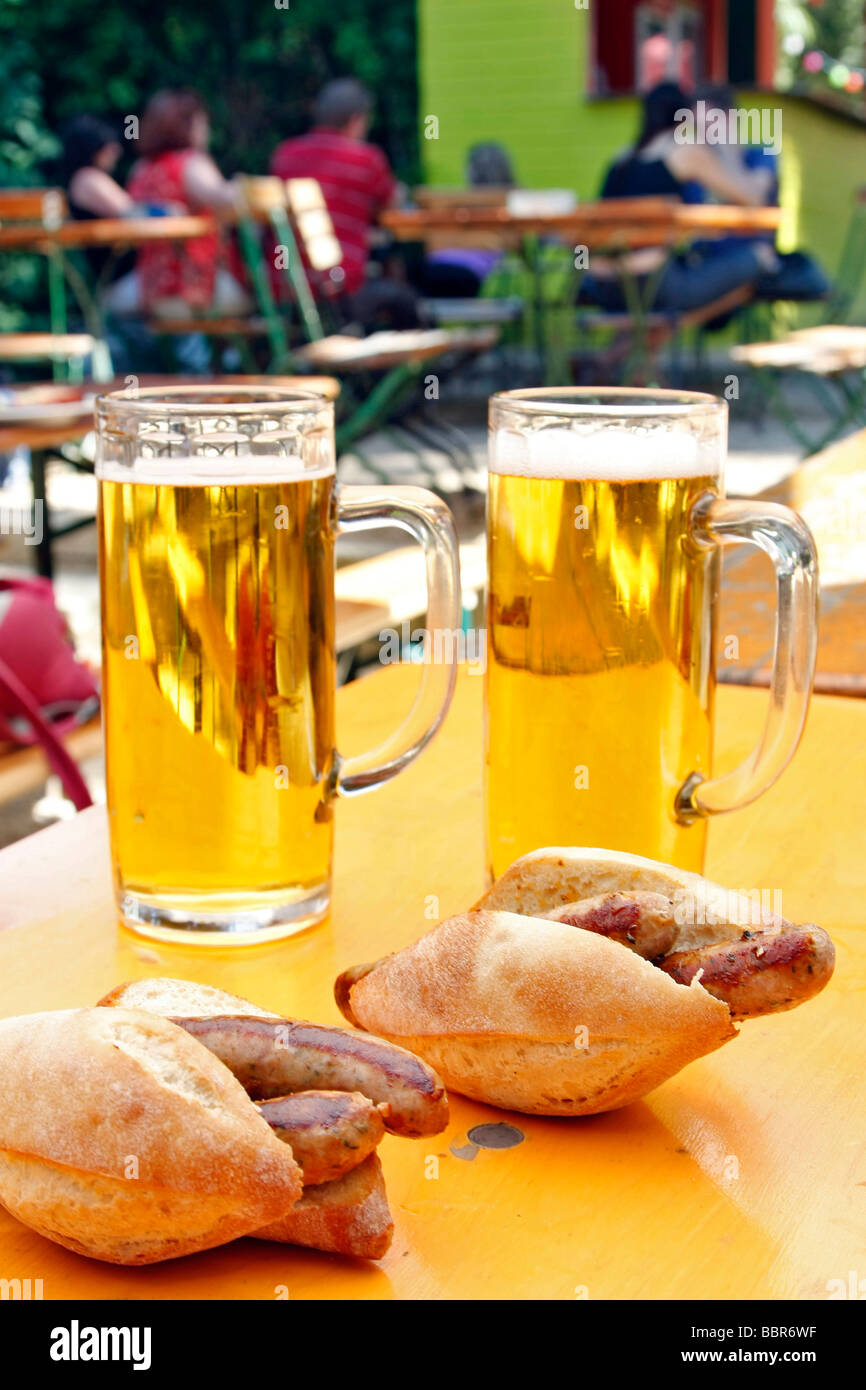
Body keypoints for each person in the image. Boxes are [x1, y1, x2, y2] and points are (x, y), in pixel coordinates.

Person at [581, 83, 779, 317]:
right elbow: (752, 198)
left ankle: (621, 352)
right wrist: (726, 144)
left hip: (601, 283)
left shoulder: (620, 158)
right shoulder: (685, 152)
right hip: (653, 285)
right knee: (760, 258)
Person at [270, 79, 418, 331]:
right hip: (339, 290)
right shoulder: (365, 159)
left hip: (287, 286)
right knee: (408, 302)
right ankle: (410, 368)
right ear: (356, 120)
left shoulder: (285, 154)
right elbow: (391, 205)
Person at [126, 90, 250, 319]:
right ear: (189, 125)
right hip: (197, 292)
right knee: (267, 287)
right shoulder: (191, 164)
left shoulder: (141, 169)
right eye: (203, 122)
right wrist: (244, 186)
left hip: (151, 294)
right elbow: (228, 200)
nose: (207, 130)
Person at [59, 115, 139, 312]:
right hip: (121, 283)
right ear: (93, 147)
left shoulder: (78, 180)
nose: (116, 151)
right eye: (109, 144)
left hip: (116, 283)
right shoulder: (88, 179)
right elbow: (135, 214)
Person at [420, 142, 516, 299]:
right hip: (469, 275)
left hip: (435, 270)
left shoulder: (457, 202)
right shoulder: (510, 202)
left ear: (471, 171)